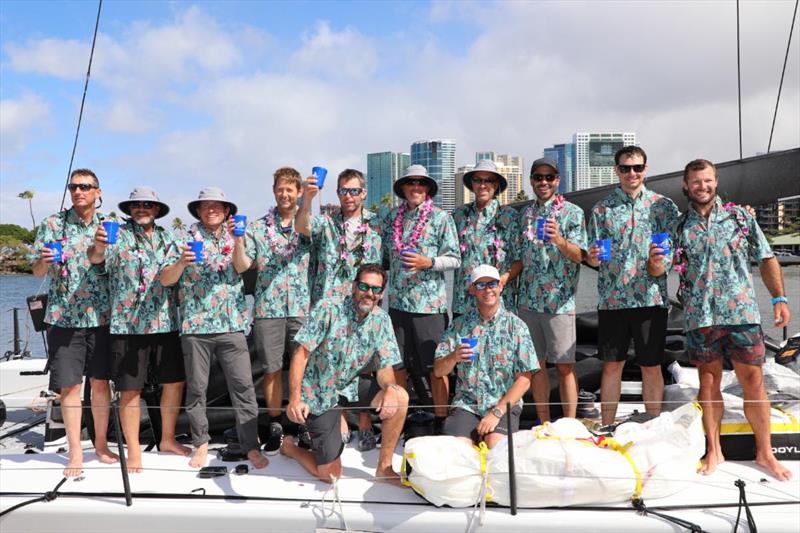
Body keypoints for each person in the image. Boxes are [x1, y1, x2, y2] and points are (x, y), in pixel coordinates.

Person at [669, 159, 791, 480]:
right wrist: (655, 262)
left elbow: (766, 257)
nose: (702, 187)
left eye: (707, 180)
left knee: (754, 383)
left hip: (742, 314)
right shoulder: (679, 228)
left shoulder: (740, 218)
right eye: (696, 182)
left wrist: (779, 298)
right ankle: (714, 450)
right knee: (708, 385)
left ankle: (765, 453)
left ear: (716, 181)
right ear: (686, 186)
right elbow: (659, 269)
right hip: (700, 318)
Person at [160, 187, 267, 470]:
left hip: (232, 324)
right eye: (205, 205)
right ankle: (201, 444)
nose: (211, 209)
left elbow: (243, 267)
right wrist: (182, 262)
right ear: (197, 211)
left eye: (217, 205)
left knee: (243, 387)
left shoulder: (238, 235)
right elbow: (166, 280)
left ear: (227, 210)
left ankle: (251, 445)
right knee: (197, 390)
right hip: (195, 325)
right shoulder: (182, 239)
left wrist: (238, 241)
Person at [88, 187, 190, 472]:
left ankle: (167, 439)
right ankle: (134, 450)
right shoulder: (115, 235)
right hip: (127, 326)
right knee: (130, 391)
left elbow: (169, 279)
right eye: (136, 205)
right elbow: (96, 260)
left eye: (147, 205)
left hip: (165, 323)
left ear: (156, 210)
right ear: (129, 209)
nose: (141, 209)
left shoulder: (169, 239)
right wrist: (98, 247)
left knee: (175, 382)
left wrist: (182, 262)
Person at [281, 264, 409, 483]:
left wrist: (388, 387)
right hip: (319, 391)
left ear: (382, 293)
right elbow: (300, 354)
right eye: (364, 286)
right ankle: (290, 448)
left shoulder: (382, 320)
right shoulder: (328, 308)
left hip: (351, 386)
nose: (370, 293)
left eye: (376, 289)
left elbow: (385, 366)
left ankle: (384, 467)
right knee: (330, 475)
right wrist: (294, 399)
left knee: (400, 395)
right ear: (353, 287)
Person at [29, 168, 117, 477]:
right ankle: (76, 452)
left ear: (98, 192)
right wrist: (43, 261)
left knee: (101, 383)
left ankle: (102, 445)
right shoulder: (52, 225)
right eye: (74, 186)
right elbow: (38, 273)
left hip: (102, 316)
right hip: (64, 318)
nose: (78, 191)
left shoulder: (111, 226)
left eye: (85, 186)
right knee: (68, 387)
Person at [585, 146, 679, 425]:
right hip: (613, 300)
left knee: (652, 367)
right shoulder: (601, 209)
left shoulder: (664, 207)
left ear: (646, 169)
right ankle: (606, 425)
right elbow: (597, 259)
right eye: (625, 168)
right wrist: (591, 258)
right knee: (612, 366)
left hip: (651, 299)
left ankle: (653, 423)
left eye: (637, 167)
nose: (632, 173)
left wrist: (658, 263)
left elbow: (671, 256)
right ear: (617, 170)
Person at [295, 168, 384, 451]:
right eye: (344, 190)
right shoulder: (326, 222)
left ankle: (366, 421)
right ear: (337, 193)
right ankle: (341, 418)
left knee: (366, 363)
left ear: (364, 193)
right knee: (331, 363)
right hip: (330, 306)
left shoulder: (378, 224)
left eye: (355, 190)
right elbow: (301, 227)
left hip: (365, 303)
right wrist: (306, 199)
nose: (349, 196)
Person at [232, 168, 311, 455]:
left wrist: (310, 200)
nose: (285, 194)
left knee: (305, 368)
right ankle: (276, 423)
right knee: (272, 370)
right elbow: (242, 267)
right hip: (268, 309)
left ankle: (304, 422)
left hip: (302, 307)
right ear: (274, 190)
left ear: (299, 192)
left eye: (291, 189)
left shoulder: (308, 223)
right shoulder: (257, 226)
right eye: (280, 189)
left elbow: (312, 235)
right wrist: (238, 240)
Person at [380, 164, 461, 433]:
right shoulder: (391, 218)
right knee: (398, 367)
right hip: (398, 306)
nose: (416, 187)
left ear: (427, 189)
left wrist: (429, 261)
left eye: (421, 183)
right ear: (403, 188)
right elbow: (381, 259)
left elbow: (455, 259)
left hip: (430, 308)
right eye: (410, 183)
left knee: (436, 368)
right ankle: (399, 422)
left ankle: (442, 422)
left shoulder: (440, 218)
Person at [433, 265, 537, 448]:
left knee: (497, 448)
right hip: (467, 404)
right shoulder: (458, 325)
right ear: (472, 289)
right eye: (481, 285)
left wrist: (496, 413)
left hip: (503, 405)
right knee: (457, 449)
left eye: (492, 284)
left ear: (500, 287)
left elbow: (525, 380)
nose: (488, 289)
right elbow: (438, 370)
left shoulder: (517, 326)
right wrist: (453, 357)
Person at [517, 157, 588, 422]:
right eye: (538, 177)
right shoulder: (524, 214)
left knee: (565, 366)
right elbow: (519, 259)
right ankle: (543, 423)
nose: (544, 182)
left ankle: (569, 424)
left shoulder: (573, 212)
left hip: (560, 303)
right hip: (527, 302)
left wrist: (559, 240)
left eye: (549, 177)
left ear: (558, 180)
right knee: (535, 367)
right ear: (532, 181)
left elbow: (581, 255)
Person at [452, 159, 520, 317]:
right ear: (472, 184)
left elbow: (520, 259)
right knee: (462, 343)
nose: (483, 185)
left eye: (489, 180)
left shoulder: (510, 217)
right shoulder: (458, 215)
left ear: (496, 185)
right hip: (464, 303)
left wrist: (501, 280)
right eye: (478, 180)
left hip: (498, 303)